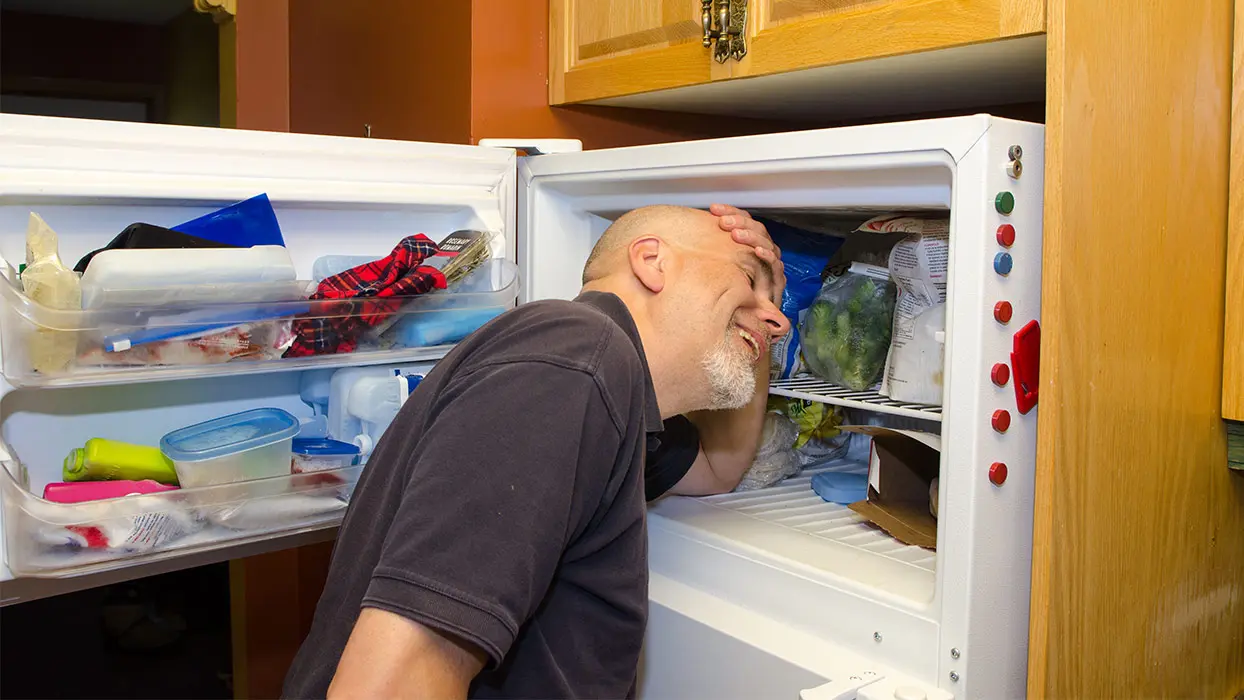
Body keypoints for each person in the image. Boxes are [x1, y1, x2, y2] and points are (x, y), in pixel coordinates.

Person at [282, 204, 789, 700]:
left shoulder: (608, 387)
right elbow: (394, 684)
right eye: (747, 278)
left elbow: (716, 469)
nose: (778, 322)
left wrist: (758, 316)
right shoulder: (574, 359)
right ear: (652, 261)